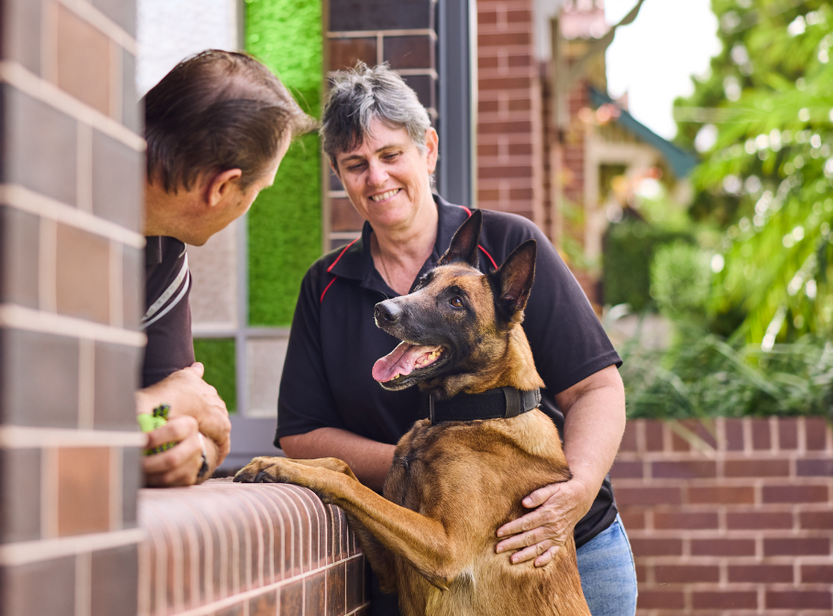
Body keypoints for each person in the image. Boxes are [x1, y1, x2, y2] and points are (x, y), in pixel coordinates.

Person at [274, 63, 637, 615]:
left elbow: (596, 389)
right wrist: (422, 462)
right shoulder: (326, 286)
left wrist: (577, 490)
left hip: (559, 548)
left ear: (429, 150)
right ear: (338, 175)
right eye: (356, 164)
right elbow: (302, 435)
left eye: (391, 154)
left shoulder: (507, 243)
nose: (376, 178)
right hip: (422, 556)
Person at [136, 50, 316, 487]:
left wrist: (190, 454)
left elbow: (195, 419)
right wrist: (156, 407)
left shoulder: (163, 255)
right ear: (222, 187)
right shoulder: (48, 221)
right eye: (259, 189)